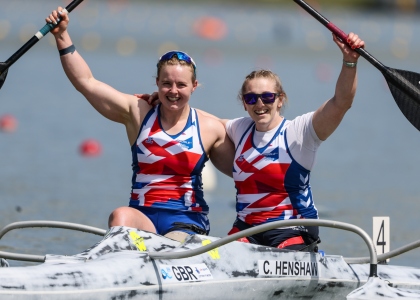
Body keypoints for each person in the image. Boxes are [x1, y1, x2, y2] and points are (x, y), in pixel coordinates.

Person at [45, 7, 234, 241]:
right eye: (166, 84)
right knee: (119, 216)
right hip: (142, 218)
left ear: (194, 86)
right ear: (156, 83)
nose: (173, 91)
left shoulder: (210, 127)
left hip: (186, 223)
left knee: (172, 242)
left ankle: (150, 258)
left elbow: (246, 173)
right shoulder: (137, 112)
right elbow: (86, 82)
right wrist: (62, 35)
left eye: (181, 85)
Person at [222, 32, 365, 251]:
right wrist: (158, 103)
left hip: (292, 230)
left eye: (267, 97)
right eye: (251, 98)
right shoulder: (238, 128)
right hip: (246, 229)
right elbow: (196, 121)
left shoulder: (300, 132)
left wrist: (350, 62)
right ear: (244, 103)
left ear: (280, 100)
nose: (259, 104)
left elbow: (341, 103)